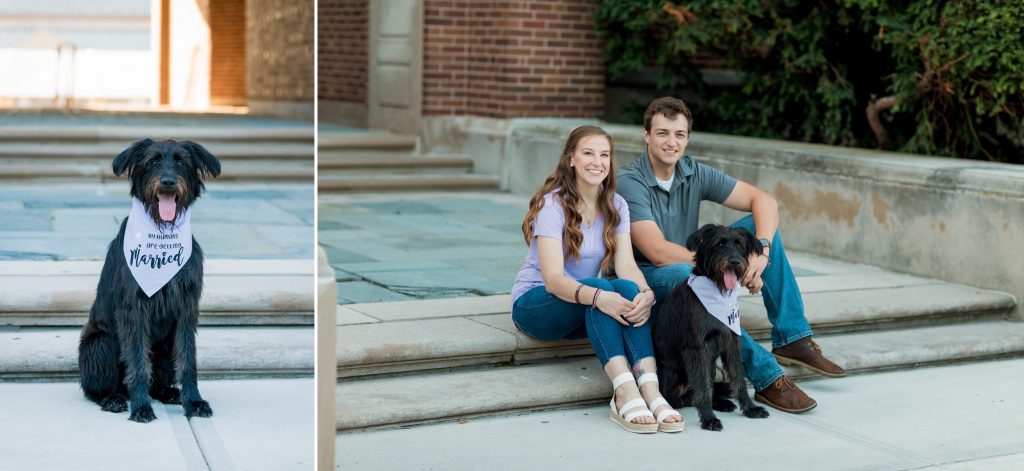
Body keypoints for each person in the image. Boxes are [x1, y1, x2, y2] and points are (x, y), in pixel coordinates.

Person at [616, 97, 846, 414]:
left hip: (689, 270)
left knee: (759, 231)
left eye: (679, 134)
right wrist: (719, 268)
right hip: (649, 280)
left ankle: (792, 336)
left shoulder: (691, 171)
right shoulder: (630, 181)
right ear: (646, 135)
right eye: (663, 133)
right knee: (690, 278)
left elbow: (763, 200)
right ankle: (767, 377)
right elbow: (656, 252)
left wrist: (759, 255)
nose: (672, 142)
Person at [511, 125, 685, 433]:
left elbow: (627, 265)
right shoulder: (552, 204)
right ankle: (624, 391)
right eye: (588, 153)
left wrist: (646, 294)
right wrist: (598, 297)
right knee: (602, 289)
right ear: (571, 159)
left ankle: (650, 388)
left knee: (626, 288)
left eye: (604, 155)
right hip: (537, 306)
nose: (597, 162)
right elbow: (552, 279)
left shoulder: (616, 205)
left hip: (585, 303)